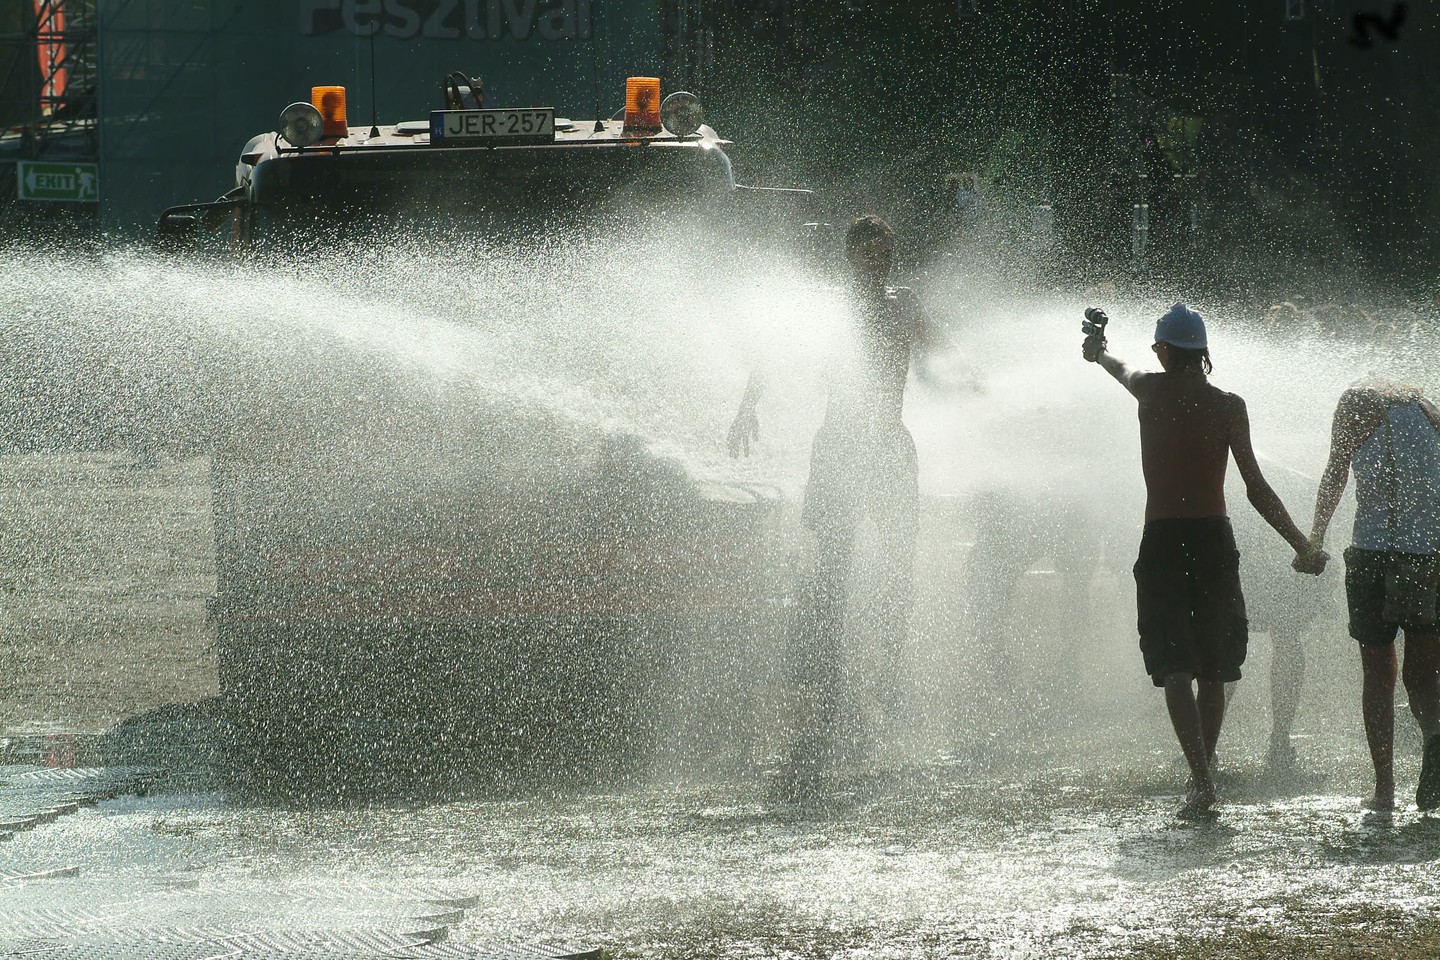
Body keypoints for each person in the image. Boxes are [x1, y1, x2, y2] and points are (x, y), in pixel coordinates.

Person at [1082, 302, 1326, 815]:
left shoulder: (1149, 387)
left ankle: (1199, 776)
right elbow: (1256, 489)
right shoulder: (1229, 406)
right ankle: (1204, 775)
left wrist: (1099, 350)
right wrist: (1301, 542)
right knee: (1215, 665)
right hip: (1215, 539)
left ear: (1167, 350)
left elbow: (1117, 366)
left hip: (1164, 538)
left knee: (1175, 666)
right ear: (1203, 353)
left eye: (1157, 347)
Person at [729, 215, 949, 770]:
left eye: (888, 255)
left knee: (900, 568)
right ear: (850, 258)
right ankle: (820, 688)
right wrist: (746, 405)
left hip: (891, 447)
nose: (881, 265)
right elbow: (776, 352)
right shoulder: (830, 308)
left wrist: (972, 381)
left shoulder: (905, 304)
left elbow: (938, 356)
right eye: (871, 255)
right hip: (839, 448)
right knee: (829, 572)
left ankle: (886, 685)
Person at [1303, 378, 1440, 811]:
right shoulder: (1429, 409)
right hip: (1429, 555)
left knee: (1378, 674)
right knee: (1423, 674)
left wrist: (1315, 537)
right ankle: (1436, 739)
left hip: (1373, 555)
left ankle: (1384, 791)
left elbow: (1336, 471)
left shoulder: (1356, 400)